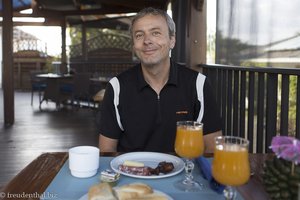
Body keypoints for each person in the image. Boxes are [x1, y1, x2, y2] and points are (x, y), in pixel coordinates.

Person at [98, 7, 222, 153]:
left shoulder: (198, 84)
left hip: (184, 172)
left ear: (172, 41)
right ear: (134, 46)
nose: (147, 41)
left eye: (155, 33)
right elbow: (106, 151)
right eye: (139, 35)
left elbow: (212, 148)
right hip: (132, 172)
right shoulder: (117, 87)